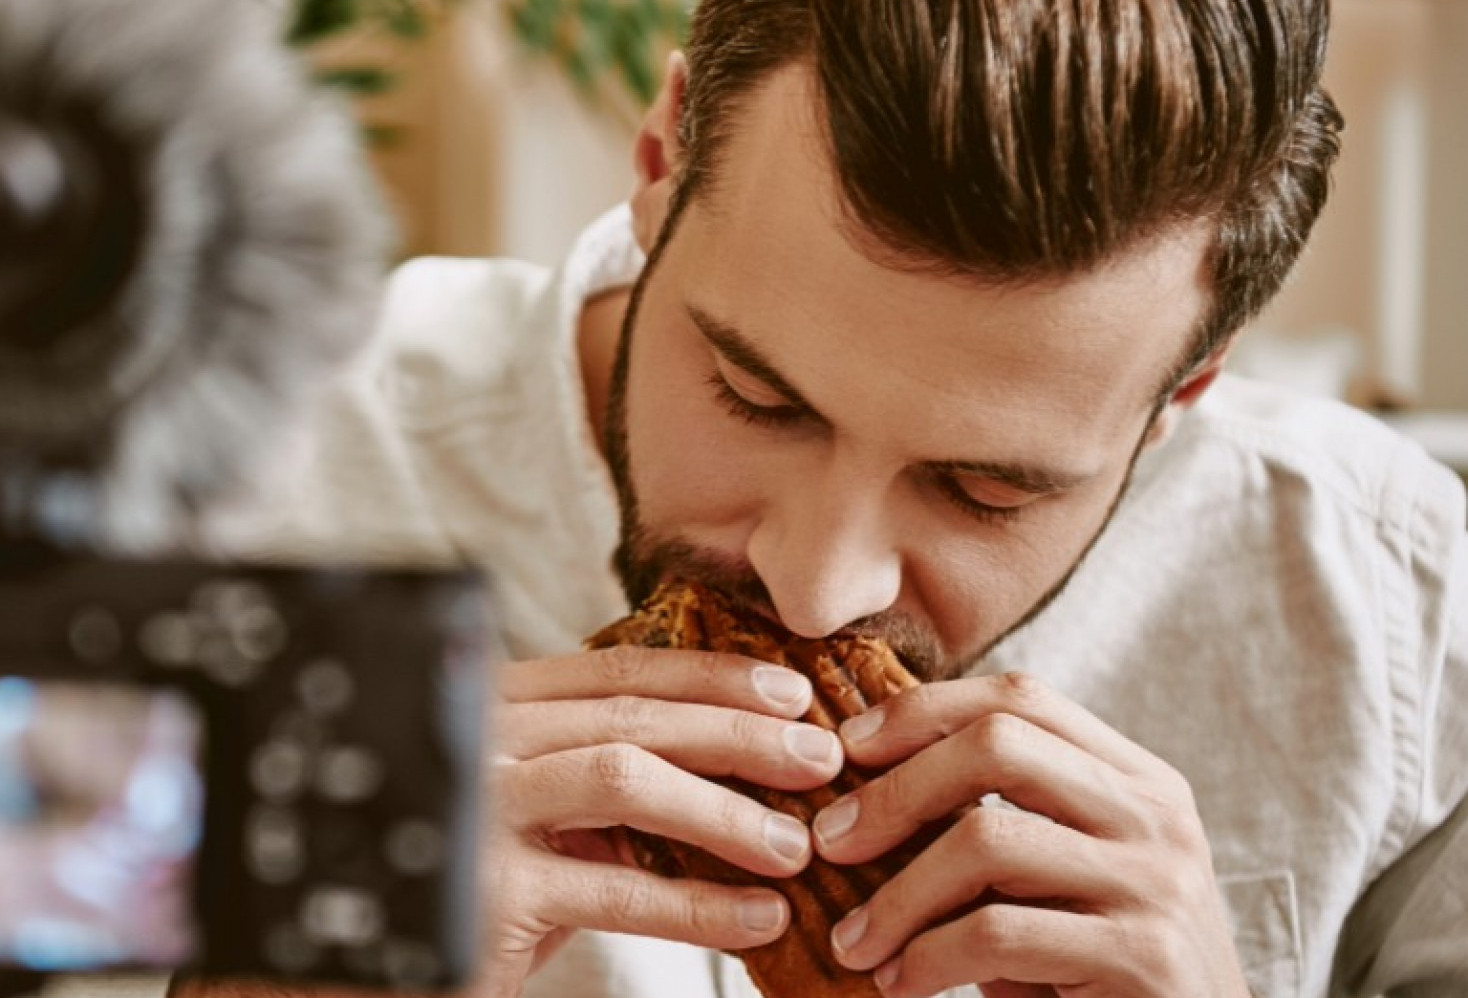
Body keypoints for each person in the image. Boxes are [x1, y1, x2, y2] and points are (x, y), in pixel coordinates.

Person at [189, 0, 1468, 996]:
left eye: (982, 491)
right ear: (660, 157)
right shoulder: (224, 480)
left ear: (1184, 387)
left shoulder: (1398, 607)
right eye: (757, 395)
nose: (818, 584)